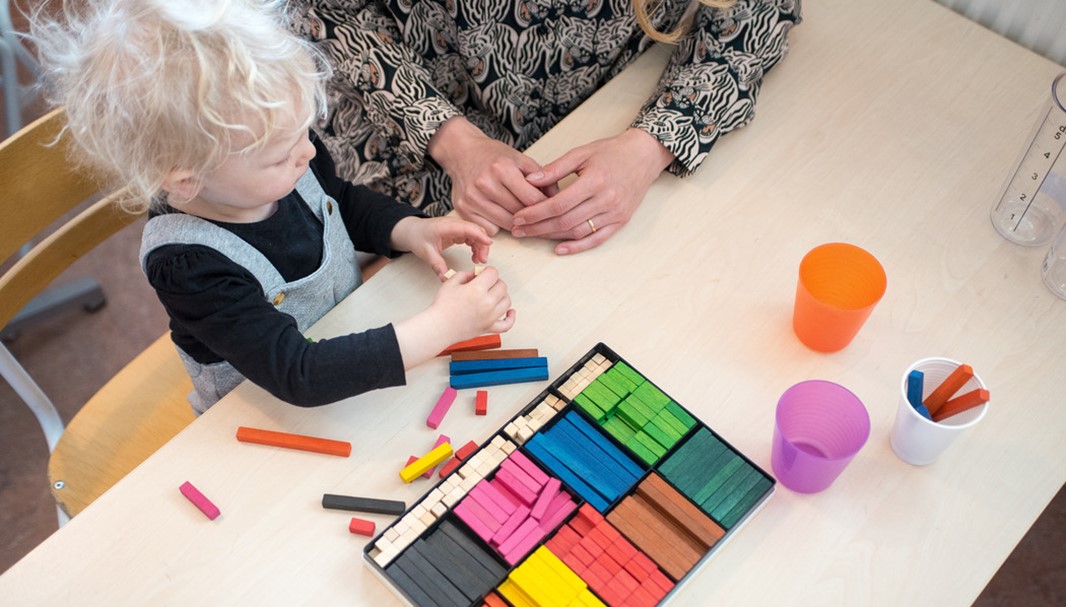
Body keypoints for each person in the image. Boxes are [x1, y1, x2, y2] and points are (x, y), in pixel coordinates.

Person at [31, 0, 516, 413]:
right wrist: (442, 326)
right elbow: (298, 373)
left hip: (347, 353)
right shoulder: (188, 267)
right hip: (264, 415)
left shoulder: (283, 155)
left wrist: (409, 230)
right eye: (281, 154)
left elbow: (339, 203)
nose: (308, 153)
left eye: (303, 130)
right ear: (186, 178)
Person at [292, 0, 801, 255]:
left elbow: (759, 13)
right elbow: (327, 14)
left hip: (613, 112)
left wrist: (651, 145)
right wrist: (453, 140)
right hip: (409, 144)